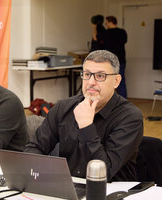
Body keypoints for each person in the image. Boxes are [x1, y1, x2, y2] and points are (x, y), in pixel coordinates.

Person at [25, 50, 143, 182]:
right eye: (87, 74)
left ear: (116, 81)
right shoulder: (63, 108)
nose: (91, 82)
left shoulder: (130, 117)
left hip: (110, 191)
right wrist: (47, 177)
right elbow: (34, 148)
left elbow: (105, 172)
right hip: (68, 187)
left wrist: (86, 126)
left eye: (100, 76)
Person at [94, 16, 128, 98]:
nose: (105, 24)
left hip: (109, 62)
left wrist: (94, 27)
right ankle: (123, 102)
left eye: (106, 23)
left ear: (110, 22)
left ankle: (109, 101)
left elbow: (95, 38)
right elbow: (125, 41)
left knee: (108, 81)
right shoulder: (122, 32)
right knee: (121, 80)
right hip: (121, 60)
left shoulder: (106, 33)